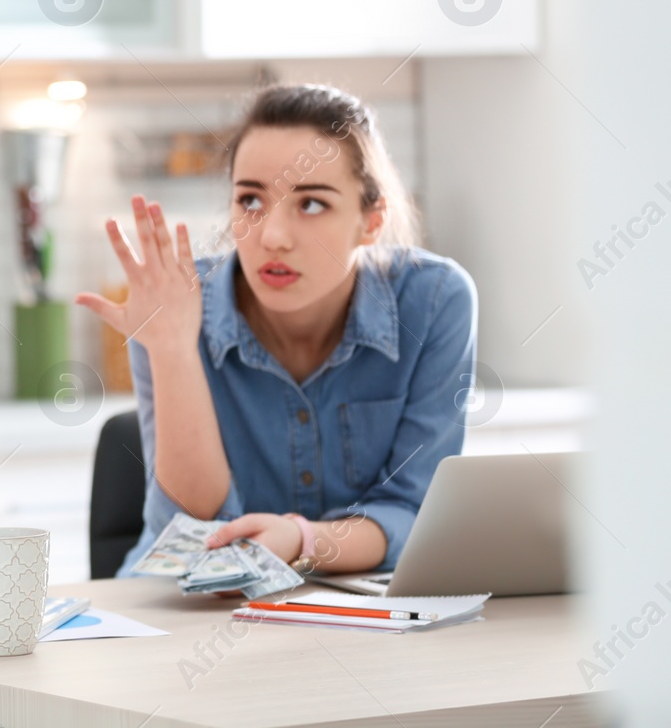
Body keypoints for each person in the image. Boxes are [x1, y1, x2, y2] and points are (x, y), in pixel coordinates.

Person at [76, 83, 477, 577]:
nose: (272, 237)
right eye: (249, 200)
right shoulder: (173, 303)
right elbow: (191, 534)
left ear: (371, 221)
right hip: (181, 612)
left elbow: (415, 512)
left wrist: (302, 540)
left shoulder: (433, 301)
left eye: (310, 204)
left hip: (350, 608)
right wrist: (173, 349)